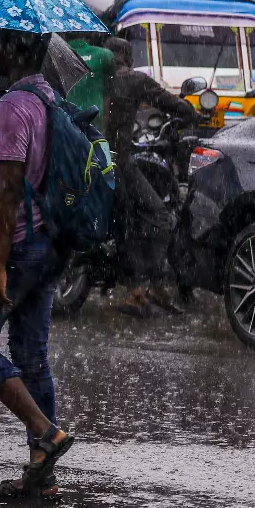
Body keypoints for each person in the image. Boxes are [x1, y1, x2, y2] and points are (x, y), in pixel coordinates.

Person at [0, 29, 74, 499]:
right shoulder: (47, 98)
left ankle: (45, 431)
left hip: (13, 244)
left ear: (15, 50)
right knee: (31, 356)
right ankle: (42, 477)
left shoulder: (12, 107)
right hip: (46, 243)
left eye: (0, 43)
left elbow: (7, 192)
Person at [102, 36, 200, 317]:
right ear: (128, 58)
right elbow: (169, 103)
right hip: (117, 160)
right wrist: (193, 113)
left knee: (126, 217)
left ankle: (139, 287)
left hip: (90, 157)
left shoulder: (93, 77)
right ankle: (147, 286)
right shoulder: (133, 79)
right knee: (158, 216)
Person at [65, 33, 115, 130]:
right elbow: (108, 94)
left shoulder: (54, 55)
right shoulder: (105, 55)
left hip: (66, 120)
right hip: (95, 118)